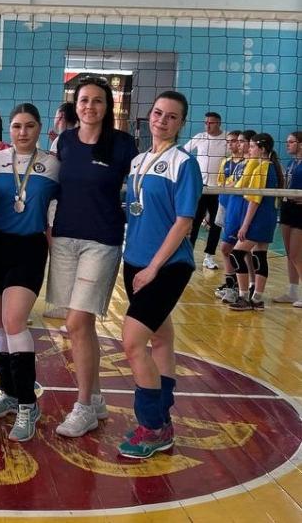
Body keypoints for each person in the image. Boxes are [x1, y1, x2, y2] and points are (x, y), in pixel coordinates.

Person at [46, 77, 138, 438]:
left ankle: (83, 406)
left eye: (97, 101)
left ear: (107, 106)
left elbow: (142, 186)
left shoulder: (123, 144)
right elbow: (51, 187)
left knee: (77, 322)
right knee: (79, 326)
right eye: (84, 100)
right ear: (75, 104)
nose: (90, 107)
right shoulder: (64, 142)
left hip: (101, 241)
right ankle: (96, 399)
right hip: (64, 239)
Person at [118, 91, 202, 458]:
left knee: (133, 342)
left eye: (171, 116)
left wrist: (153, 267)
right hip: (134, 261)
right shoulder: (138, 161)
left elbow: (184, 221)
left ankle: (152, 427)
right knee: (161, 338)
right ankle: (164, 417)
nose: (162, 120)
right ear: (149, 116)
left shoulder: (184, 163)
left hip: (167, 266)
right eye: (157, 113)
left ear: (181, 123)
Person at [0, 103, 59, 441]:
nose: (23, 132)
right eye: (17, 126)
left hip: (30, 246)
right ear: (9, 129)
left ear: (39, 128)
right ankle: (9, 391)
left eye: (29, 125)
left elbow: (64, 209)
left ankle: (28, 404)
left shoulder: (53, 165)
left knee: (14, 321)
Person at [228, 133, 284, 311]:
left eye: (252, 146)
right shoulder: (271, 166)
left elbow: (254, 199)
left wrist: (245, 225)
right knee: (259, 256)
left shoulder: (262, 167)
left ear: (262, 149)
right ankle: (257, 299)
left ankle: (244, 296)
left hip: (258, 218)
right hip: (268, 218)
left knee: (236, 254)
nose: (249, 149)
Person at [42, 101, 78, 320]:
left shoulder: (63, 140)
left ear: (62, 116)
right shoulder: (75, 137)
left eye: (57, 115)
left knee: (59, 253)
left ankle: (65, 305)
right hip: (72, 205)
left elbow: (54, 172)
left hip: (59, 203)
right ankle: (68, 305)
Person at [184, 111, 228, 270]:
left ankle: (209, 257)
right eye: (206, 123)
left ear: (219, 123)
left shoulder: (227, 138)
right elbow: (183, 152)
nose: (207, 126)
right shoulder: (200, 137)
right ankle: (187, 255)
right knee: (194, 223)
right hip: (201, 189)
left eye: (211, 123)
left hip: (218, 190)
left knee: (216, 225)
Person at [213, 130, 243, 302]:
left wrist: (231, 184)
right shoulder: (225, 161)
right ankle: (231, 283)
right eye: (228, 141)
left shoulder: (246, 163)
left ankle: (238, 286)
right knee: (226, 248)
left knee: (230, 248)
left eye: (233, 141)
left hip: (238, 208)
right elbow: (220, 183)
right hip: (224, 205)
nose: (230, 144)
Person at [273, 131, 302, 306]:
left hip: (300, 211)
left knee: (297, 253)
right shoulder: (291, 163)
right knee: (290, 254)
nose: (287, 145)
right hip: (287, 208)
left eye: (291, 142)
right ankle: (292, 292)